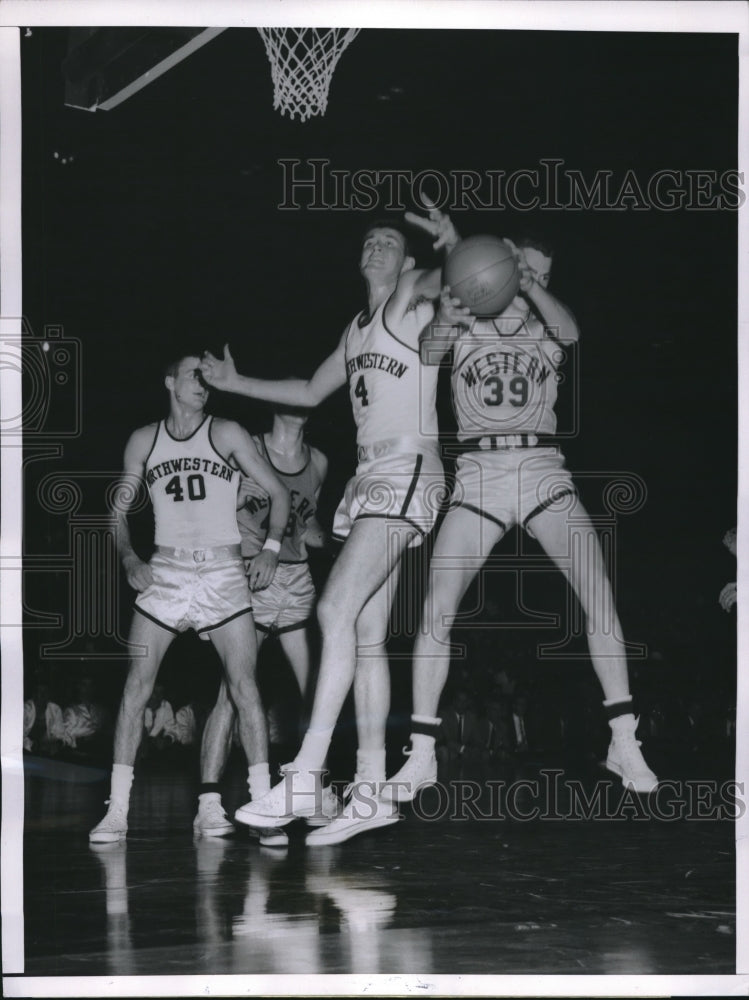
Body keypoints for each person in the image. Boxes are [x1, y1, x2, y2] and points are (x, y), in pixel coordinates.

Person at [199, 206, 458, 843]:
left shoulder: (412, 296)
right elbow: (311, 392)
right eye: (369, 240)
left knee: (333, 610)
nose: (376, 247)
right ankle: (369, 791)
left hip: (407, 470)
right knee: (366, 636)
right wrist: (238, 382)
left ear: (406, 260)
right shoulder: (356, 330)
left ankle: (309, 773)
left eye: (390, 241)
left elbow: (451, 281)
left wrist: (451, 246)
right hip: (371, 477)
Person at [383, 235, 658, 802]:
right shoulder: (461, 319)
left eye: (541, 276)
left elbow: (573, 334)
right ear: (500, 265)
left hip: (541, 466)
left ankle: (624, 739)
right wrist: (449, 310)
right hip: (479, 469)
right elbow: (427, 355)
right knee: (436, 605)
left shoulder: (543, 329)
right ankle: (423, 752)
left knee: (598, 591)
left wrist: (533, 288)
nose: (529, 281)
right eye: (522, 269)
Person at [89, 355, 291, 843]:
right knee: (136, 687)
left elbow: (279, 493)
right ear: (169, 382)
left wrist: (269, 548)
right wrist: (129, 559)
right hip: (167, 571)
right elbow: (116, 512)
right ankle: (117, 811)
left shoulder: (227, 432)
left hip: (223, 572)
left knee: (245, 688)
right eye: (192, 377)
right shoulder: (144, 439)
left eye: (206, 378)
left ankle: (255, 806)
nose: (202, 385)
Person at [194, 400, 335, 842]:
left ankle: (315, 791)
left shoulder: (320, 462)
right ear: (275, 405)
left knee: (319, 691)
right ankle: (209, 802)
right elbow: (208, 517)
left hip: (296, 581)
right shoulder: (245, 449)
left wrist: (338, 537)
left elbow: (305, 527)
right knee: (231, 692)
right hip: (251, 574)